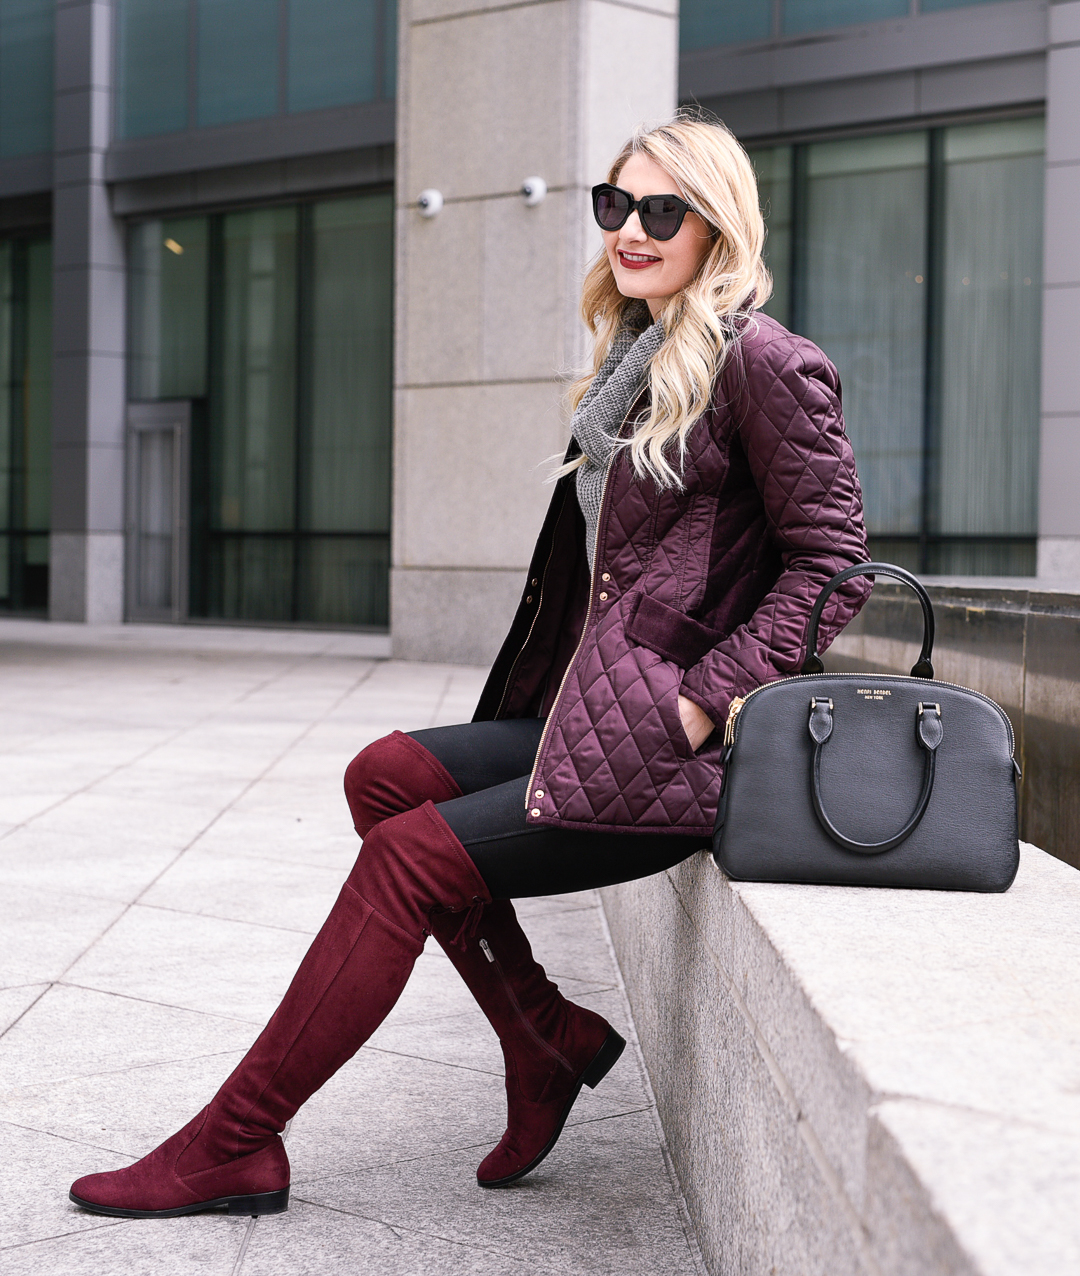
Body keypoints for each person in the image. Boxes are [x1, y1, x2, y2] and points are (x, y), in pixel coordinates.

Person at [69, 114, 870, 1219]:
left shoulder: (766, 363)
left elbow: (834, 567)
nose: (629, 230)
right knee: (382, 775)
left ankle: (237, 1140)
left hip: (674, 751)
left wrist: (705, 696)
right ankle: (544, 1035)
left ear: (717, 226)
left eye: (660, 211)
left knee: (407, 859)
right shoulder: (640, 363)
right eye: (614, 205)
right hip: (605, 715)